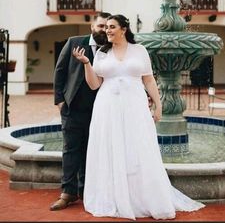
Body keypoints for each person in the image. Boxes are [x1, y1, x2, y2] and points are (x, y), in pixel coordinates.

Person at [73, 14, 205, 220]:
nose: (107, 30)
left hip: (135, 106)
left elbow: (149, 80)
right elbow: (94, 85)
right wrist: (86, 64)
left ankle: (141, 197)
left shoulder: (140, 50)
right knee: (111, 147)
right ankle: (114, 197)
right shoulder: (100, 53)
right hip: (107, 107)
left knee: (138, 148)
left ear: (124, 29)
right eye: (106, 27)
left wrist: (158, 105)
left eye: (112, 27)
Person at [50, 11, 111, 211]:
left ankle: (86, 192)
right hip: (73, 107)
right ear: (92, 27)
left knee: (92, 149)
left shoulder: (112, 49)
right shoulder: (74, 42)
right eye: (101, 26)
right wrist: (60, 100)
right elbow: (60, 71)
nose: (104, 30)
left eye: (107, 26)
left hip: (101, 109)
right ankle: (67, 193)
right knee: (71, 149)